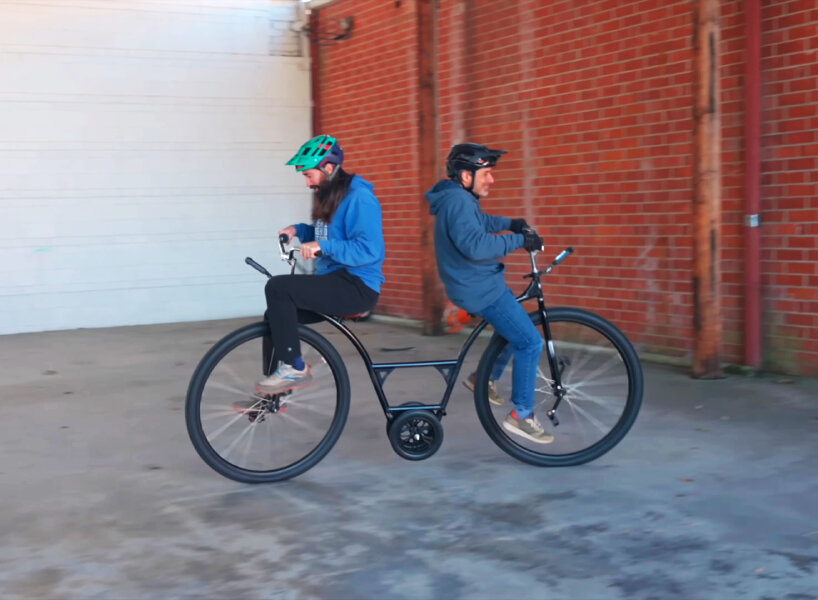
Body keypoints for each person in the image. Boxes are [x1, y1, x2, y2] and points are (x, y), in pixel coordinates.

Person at [425, 142, 553, 443]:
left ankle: (485, 379)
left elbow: (481, 223)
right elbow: (476, 246)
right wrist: (520, 242)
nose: (491, 180)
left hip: (478, 284)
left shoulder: (459, 199)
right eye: (486, 173)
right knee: (530, 342)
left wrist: (513, 224)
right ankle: (521, 415)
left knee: (515, 327)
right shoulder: (457, 201)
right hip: (479, 288)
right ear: (466, 176)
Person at [255, 134, 385, 395]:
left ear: (328, 167)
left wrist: (323, 247)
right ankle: (275, 388)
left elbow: (370, 249)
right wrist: (299, 230)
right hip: (337, 280)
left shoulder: (360, 198)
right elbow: (326, 234)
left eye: (309, 174)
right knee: (275, 316)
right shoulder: (331, 196)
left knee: (278, 288)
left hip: (357, 285)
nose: (307, 182)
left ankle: (294, 368)